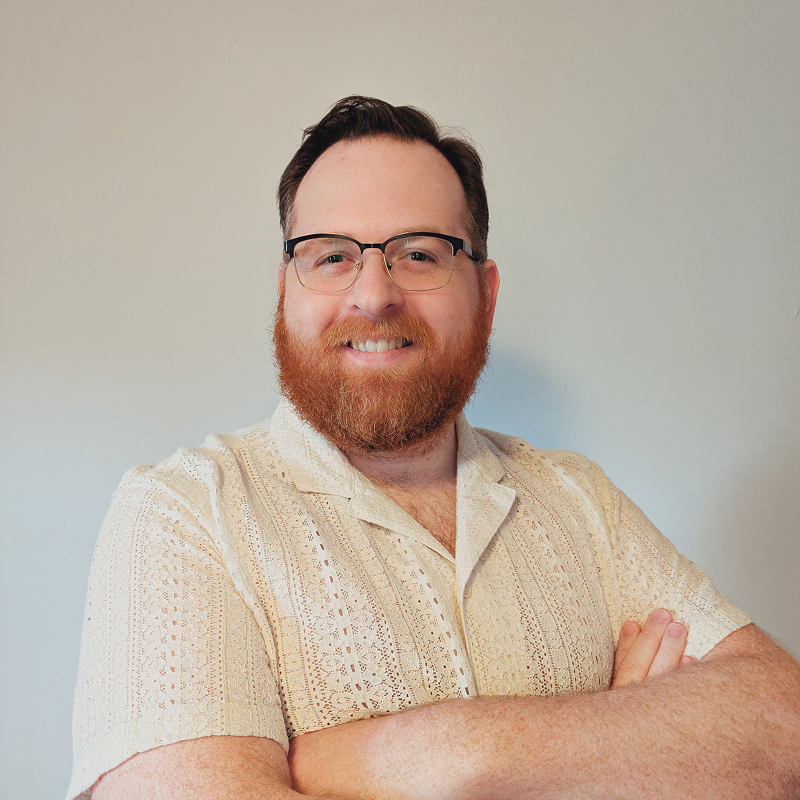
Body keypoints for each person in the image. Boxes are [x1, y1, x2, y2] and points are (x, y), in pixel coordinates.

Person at [69, 96, 800, 800]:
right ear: (285, 289)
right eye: (330, 257)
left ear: (484, 290)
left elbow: (784, 730)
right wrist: (627, 752)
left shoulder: (583, 500)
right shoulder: (184, 513)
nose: (374, 294)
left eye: (419, 253)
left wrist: (441, 758)